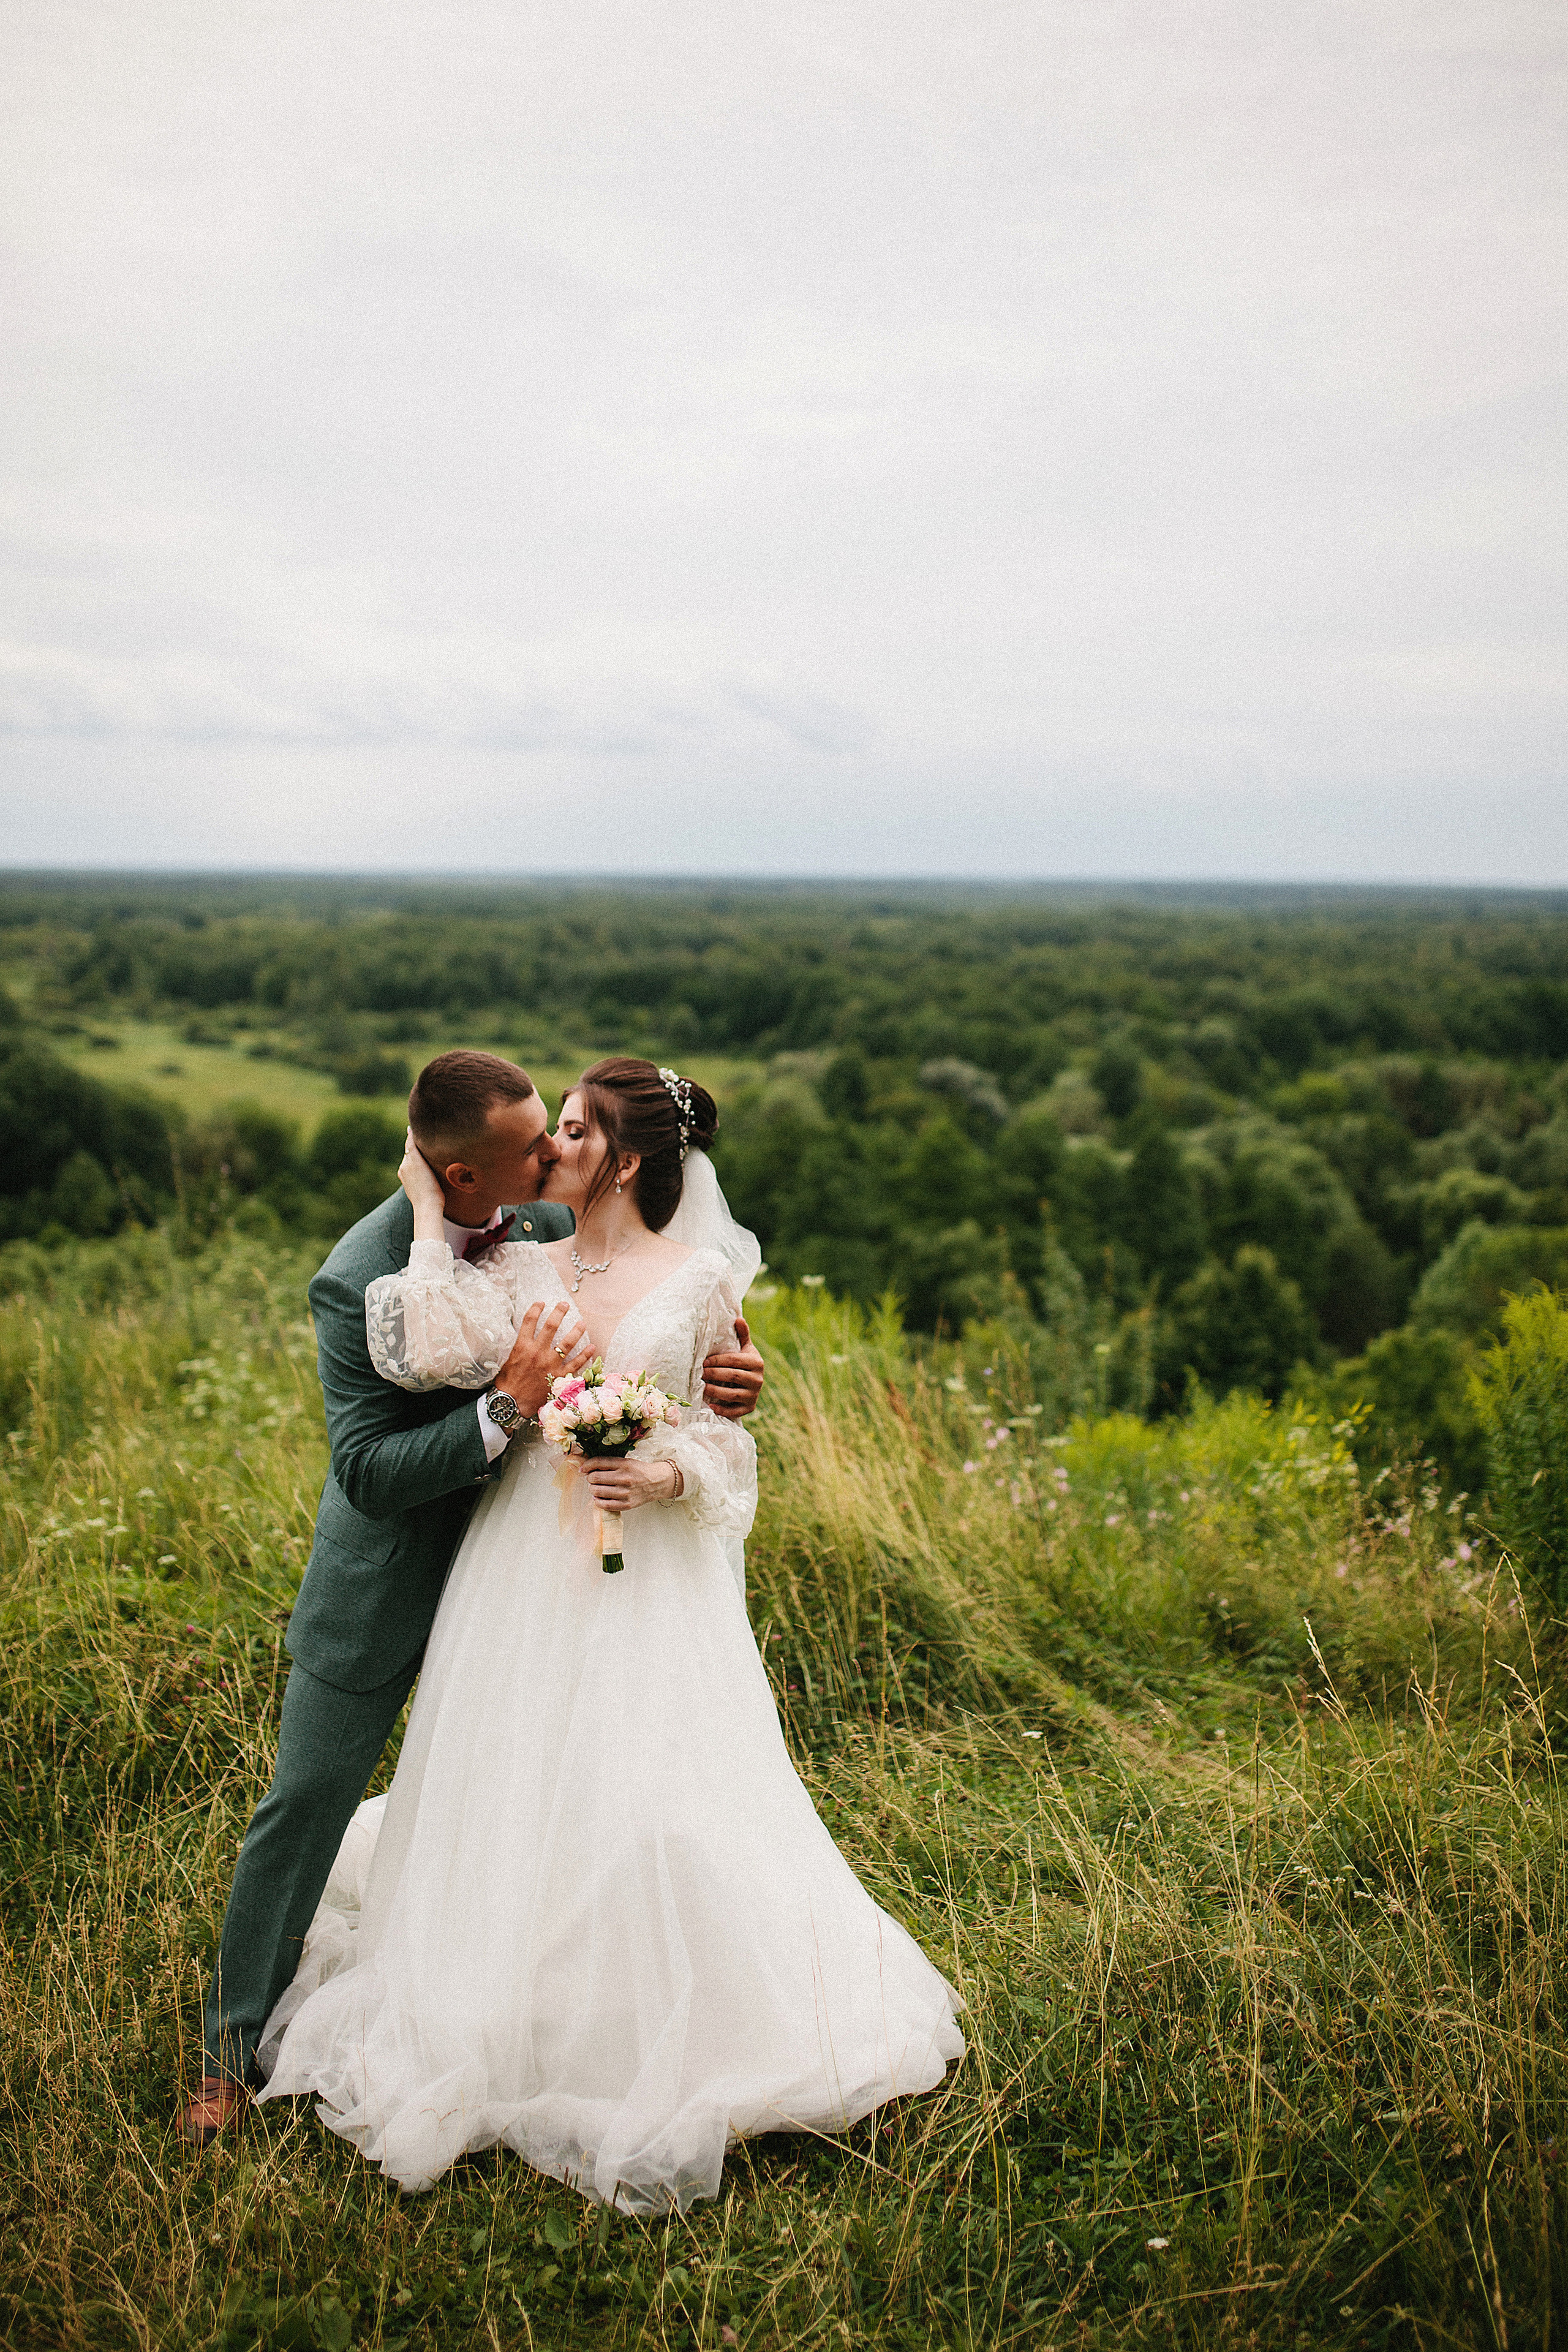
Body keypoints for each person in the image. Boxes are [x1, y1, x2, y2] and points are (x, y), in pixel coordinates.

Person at [254, 1058, 963, 2211]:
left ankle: (663, 2012)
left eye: (571, 1132)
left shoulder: (698, 1284)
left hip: (648, 1584)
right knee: (516, 1778)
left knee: (650, 1787)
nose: (551, 1154)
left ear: (622, 1161)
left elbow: (731, 1449)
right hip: (518, 1570)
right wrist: (432, 1214)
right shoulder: (521, 1258)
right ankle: (505, 1993)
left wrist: (666, 1460)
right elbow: (428, 1344)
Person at [179, 1049, 764, 2146]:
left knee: (549, 1801)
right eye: (534, 1150)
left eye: (561, 1134)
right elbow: (368, 1470)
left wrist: (730, 1367)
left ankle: (550, 2015)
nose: (552, 1158)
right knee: (303, 1805)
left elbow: (652, 1309)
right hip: (393, 1578)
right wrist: (507, 1405)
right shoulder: (356, 1277)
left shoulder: (543, 1233)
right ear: (458, 1181)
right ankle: (224, 2052)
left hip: (540, 1583)